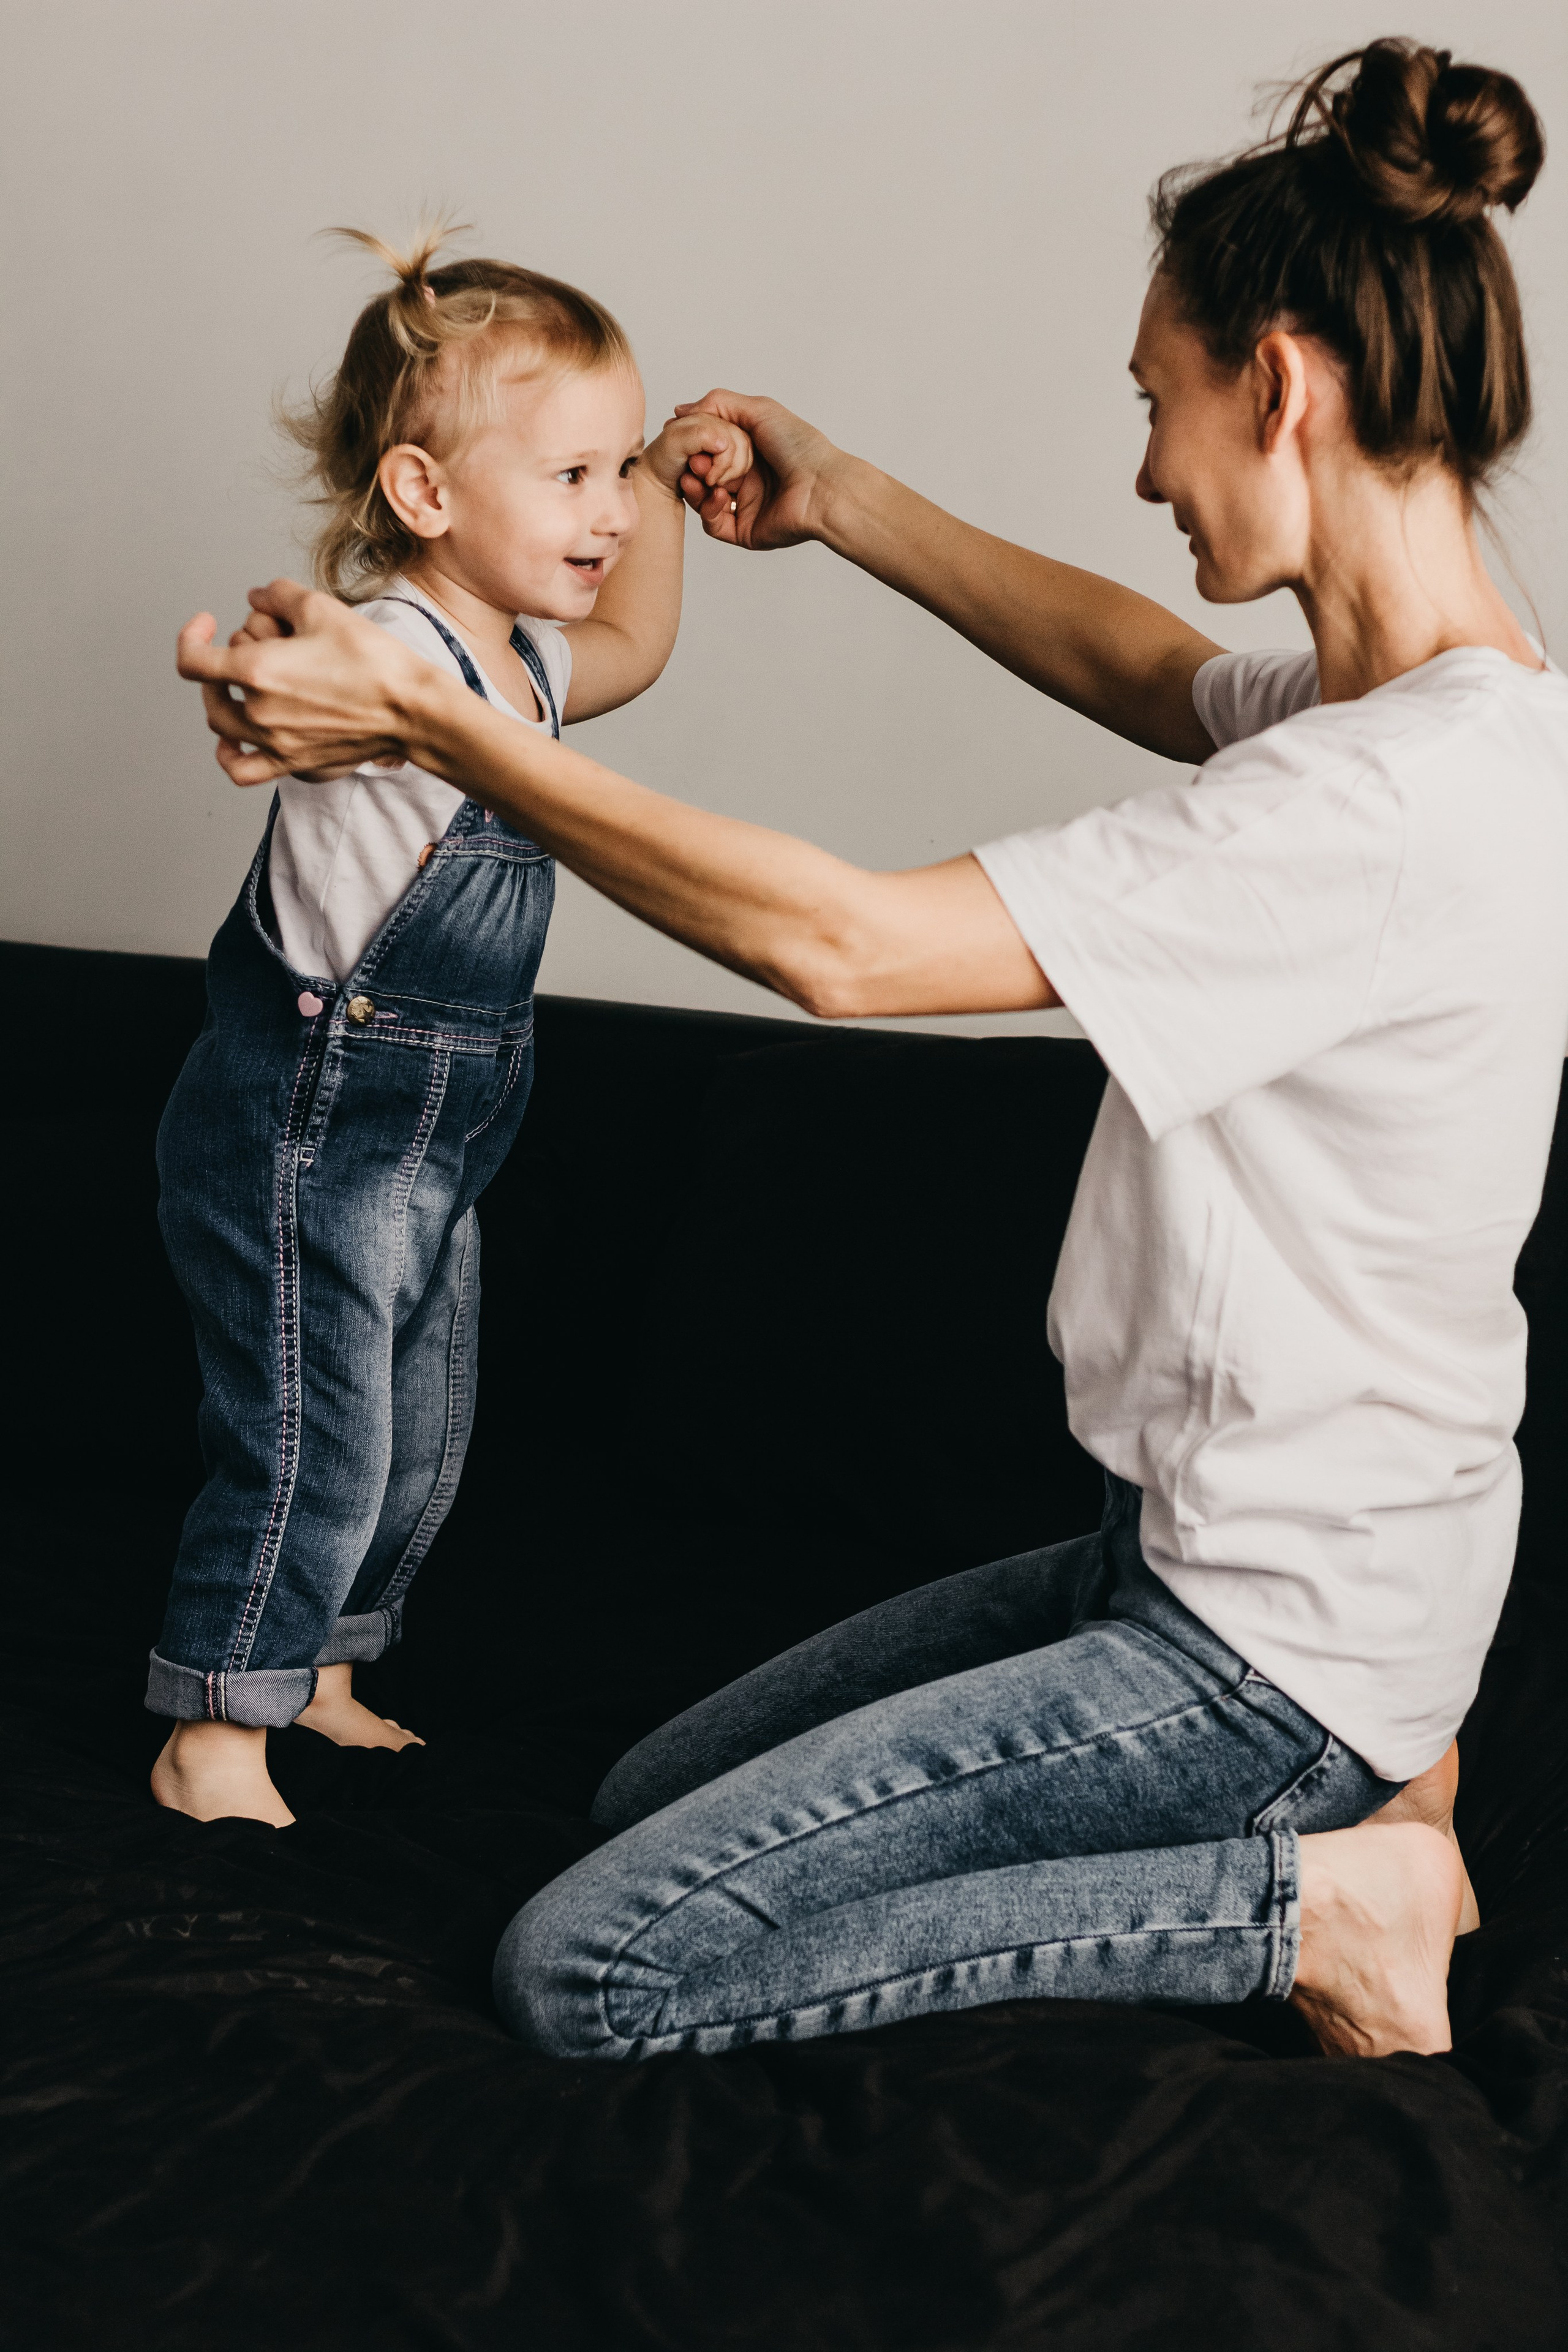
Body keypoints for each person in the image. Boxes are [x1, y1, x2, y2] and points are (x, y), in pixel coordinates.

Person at [176, 41, 1562, 2060]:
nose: (1150, 470)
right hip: (1199, 1562)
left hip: (1271, 1638)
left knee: (598, 1965)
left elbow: (837, 947)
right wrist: (848, 502)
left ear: (1281, 382)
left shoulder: (1374, 808)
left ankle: (1310, 1897)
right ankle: (1378, 1766)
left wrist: (448, 728)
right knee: (652, 1799)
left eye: (1156, 404)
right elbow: (1146, 663)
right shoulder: (1448, 722)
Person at [148, 227, 752, 1827]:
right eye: (572, 476)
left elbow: (637, 647)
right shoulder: (395, 653)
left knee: (417, 1431)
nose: (608, 508)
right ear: (425, 497)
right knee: (309, 1434)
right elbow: (308, 671)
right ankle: (216, 1718)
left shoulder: (525, 669)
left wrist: (678, 506)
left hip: (441, 1147)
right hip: (304, 1140)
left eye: (619, 468)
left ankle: (329, 1666)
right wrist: (256, 673)